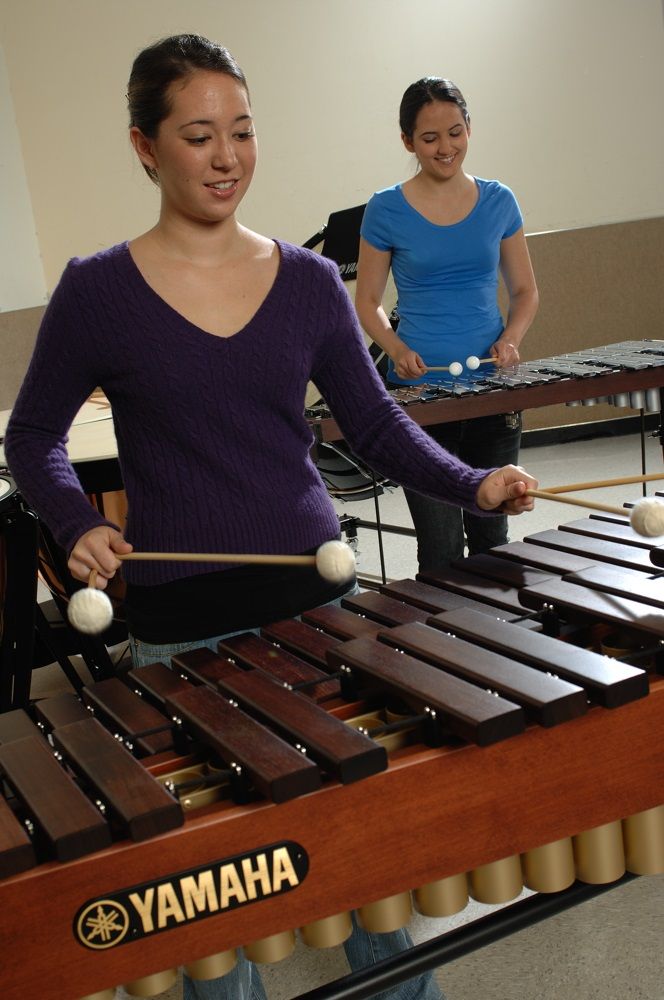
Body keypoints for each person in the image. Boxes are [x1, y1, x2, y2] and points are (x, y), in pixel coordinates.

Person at [5, 35, 538, 1000]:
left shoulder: (305, 282)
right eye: (198, 134)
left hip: (314, 599)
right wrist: (76, 518)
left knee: (373, 863)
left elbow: (372, 423)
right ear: (146, 146)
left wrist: (473, 484)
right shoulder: (96, 289)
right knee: (216, 901)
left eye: (242, 132)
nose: (226, 156)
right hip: (178, 632)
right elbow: (32, 436)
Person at [355, 77, 539, 574]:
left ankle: (494, 644)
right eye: (430, 138)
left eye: (455, 132)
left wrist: (511, 339)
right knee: (439, 549)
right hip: (420, 397)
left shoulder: (499, 200)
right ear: (407, 141)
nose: (445, 148)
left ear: (469, 129)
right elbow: (367, 301)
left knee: (492, 538)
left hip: (490, 389)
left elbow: (525, 292)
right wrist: (393, 347)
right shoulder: (386, 208)